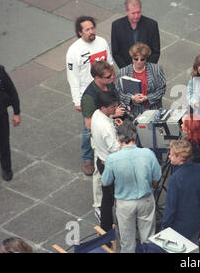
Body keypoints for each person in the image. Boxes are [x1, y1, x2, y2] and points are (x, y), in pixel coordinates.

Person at [102, 120, 161, 253]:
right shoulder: (147, 153)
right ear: (135, 136)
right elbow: (157, 178)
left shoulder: (112, 159)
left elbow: (106, 181)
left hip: (125, 204)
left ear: (118, 139)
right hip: (145, 199)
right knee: (148, 239)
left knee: (127, 242)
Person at [66, 16, 115, 176]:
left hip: (105, 90)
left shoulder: (101, 42)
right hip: (88, 94)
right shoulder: (74, 51)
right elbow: (72, 77)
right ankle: (87, 158)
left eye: (92, 28)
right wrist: (76, 99)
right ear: (80, 33)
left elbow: (110, 64)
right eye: (87, 29)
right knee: (89, 128)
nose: (91, 31)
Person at [162, 140, 200, 243]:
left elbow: (170, 208)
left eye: (171, 154)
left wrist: (164, 227)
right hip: (196, 221)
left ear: (179, 157)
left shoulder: (175, 178)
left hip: (180, 228)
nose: (169, 156)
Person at [90, 91, 121, 232]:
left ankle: (106, 230)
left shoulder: (97, 115)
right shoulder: (106, 127)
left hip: (101, 161)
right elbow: (115, 148)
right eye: (112, 107)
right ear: (103, 107)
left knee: (107, 199)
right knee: (120, 200)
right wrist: (123, 138)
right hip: (110, 165)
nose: (114, 108)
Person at [115, 42, 166, 118]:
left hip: (153, 109)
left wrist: (147, 98)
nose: (139, 61)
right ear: (132, 58)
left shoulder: (156, 69)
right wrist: (132, 97)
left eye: (142, 59)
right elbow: (118, 92)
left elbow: (161, 89)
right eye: (136, 59)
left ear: (146, 59)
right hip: (134, 112)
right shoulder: (123, 72)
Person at [111, 0, 160, 68]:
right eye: (133, 13)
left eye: (138, 12)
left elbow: (156, 51)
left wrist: (147, 69)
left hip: (146, 69)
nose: (136, 16)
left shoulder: (151, 25)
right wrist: (127, 70)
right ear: (126, 11)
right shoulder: (117, 25)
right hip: (127, 69)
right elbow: (116, 52)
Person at [0, 64, 21, 181]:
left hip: (0, 115)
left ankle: (6, 169)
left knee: (3, 144)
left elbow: (12, 91)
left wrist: (16, 112)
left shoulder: (0, 71)